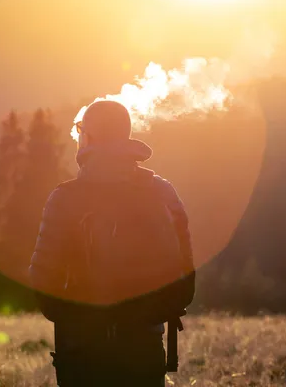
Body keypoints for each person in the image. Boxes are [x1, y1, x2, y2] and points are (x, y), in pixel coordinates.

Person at [28, 100, 195, 386]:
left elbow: (41, 282)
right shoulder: (162, 192)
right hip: (145, 350)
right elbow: (185, 281)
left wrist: (78, 319)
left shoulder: (65, 199)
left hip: (81, 352)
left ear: (89, 138)